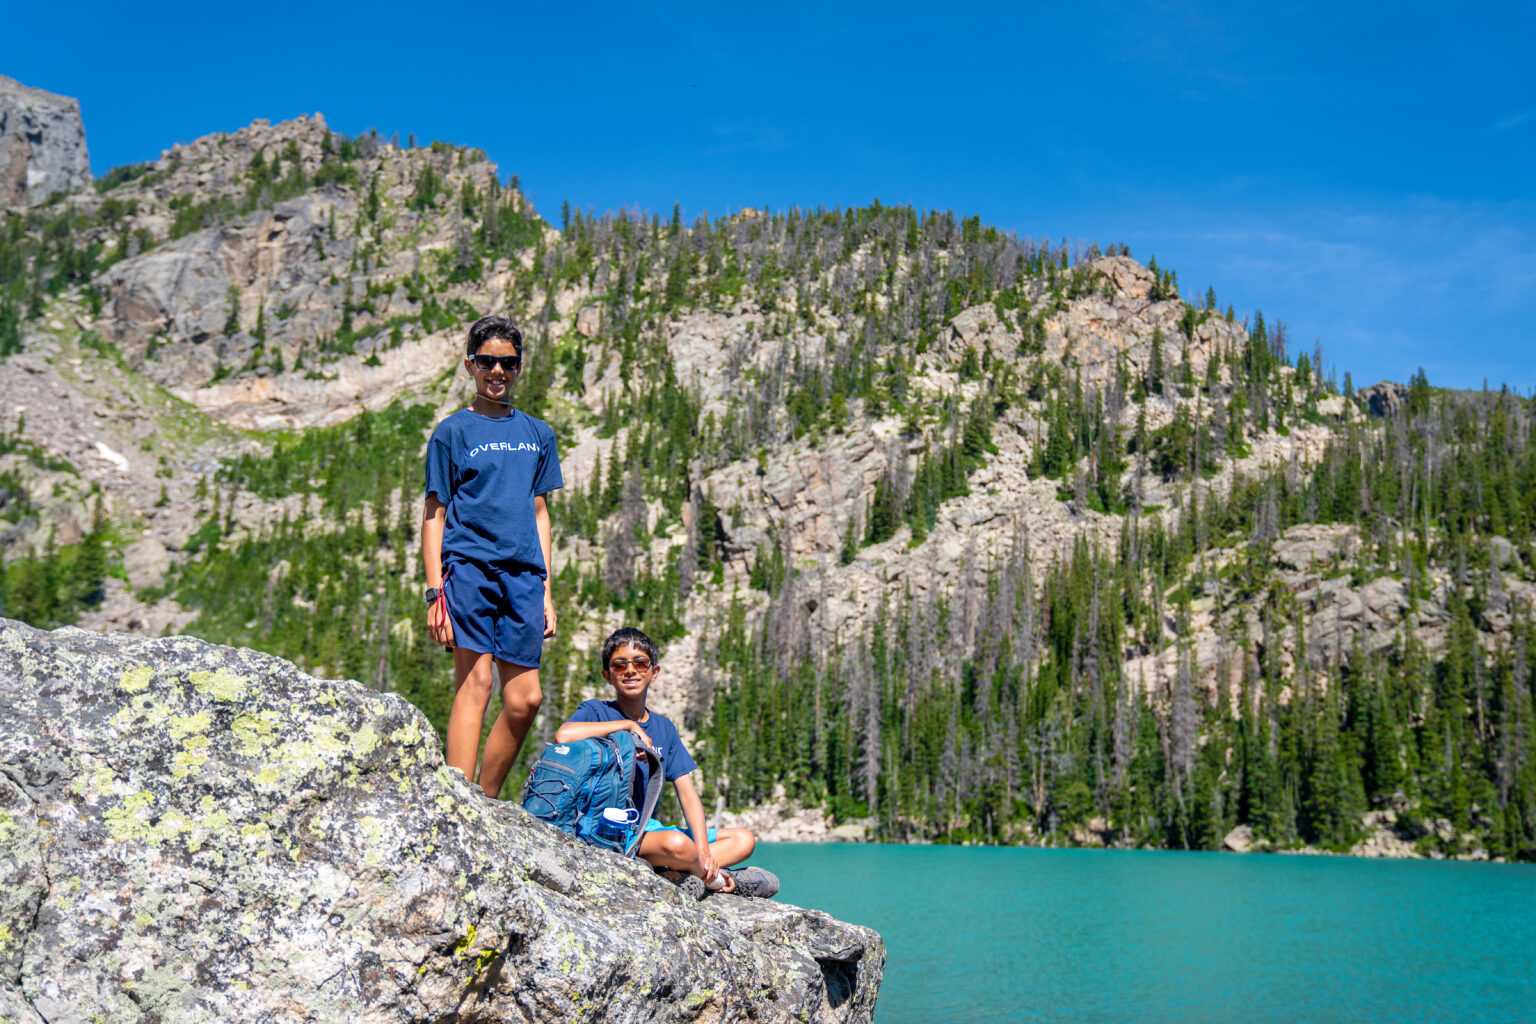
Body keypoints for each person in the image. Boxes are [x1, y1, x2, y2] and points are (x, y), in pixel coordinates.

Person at [423, 315, 562, 798]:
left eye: (507, 362)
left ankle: (486, 797)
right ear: (470, 366)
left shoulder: (538, 433)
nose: (497, 371)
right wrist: (434, 592)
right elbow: (434, 514)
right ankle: (459, 802)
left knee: (526, 699)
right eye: (487, 361)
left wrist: (546, 589)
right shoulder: (452, 432)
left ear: (519, 368)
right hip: (469, 568)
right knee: (475, 681)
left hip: (524, 574)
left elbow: (540, 512)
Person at [555, 627, 779, 898]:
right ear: (608, 676)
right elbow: (563, 735)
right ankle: (720, 879)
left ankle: (679, 872)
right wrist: (627, 726)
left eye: (640, 663)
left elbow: (687, 792)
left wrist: (704, 852)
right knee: (676, 843)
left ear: (654, 672)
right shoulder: (596, 711)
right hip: (607, 830)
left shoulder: (664, 728)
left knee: (743, 840)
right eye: (619, 665)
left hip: (647, 829)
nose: (630, 670)